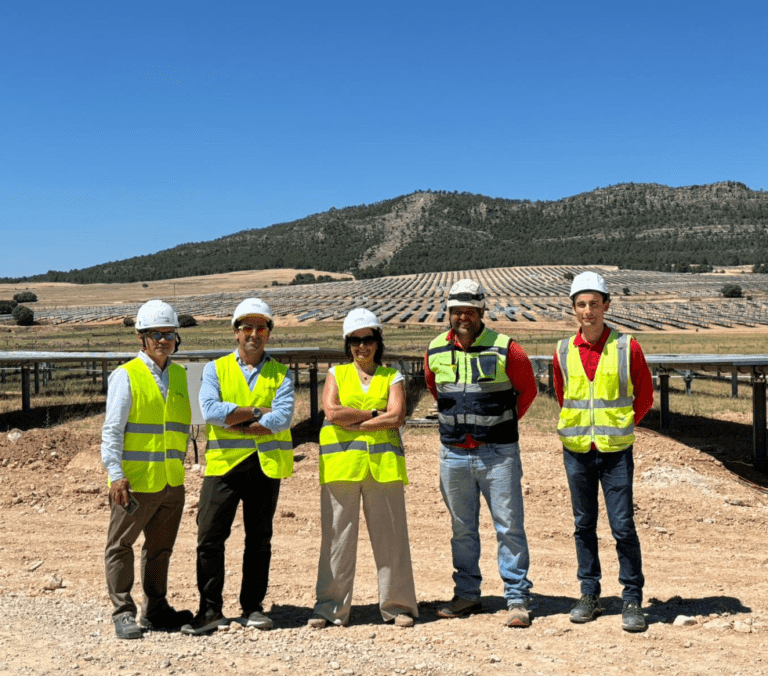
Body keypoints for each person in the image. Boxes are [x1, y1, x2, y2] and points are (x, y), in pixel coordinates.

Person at [425, 279, 537, 628]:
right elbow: (435, 389)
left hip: (498, 453)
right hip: (453, 454)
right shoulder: (434, 350)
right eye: (457, 310)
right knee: (462, 529)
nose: (463, 316)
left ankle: (517, 599)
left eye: (470, 311)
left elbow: (528, 391)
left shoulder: (507, 349)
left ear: (481, 312)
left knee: (509, 527)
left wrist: (497, 425)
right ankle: (468, 596)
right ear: (449, 313)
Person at [182, 298, 295, 635]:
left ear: (269, 334)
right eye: (247, 327)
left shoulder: (282, 373)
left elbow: (284, 417)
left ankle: (253, 608)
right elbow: (210, 411)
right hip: (224, 466)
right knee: (210, 538)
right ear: (236, 332)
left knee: (259, 539)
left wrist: (239, 419)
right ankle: (210, 610)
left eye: (261, 327)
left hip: (265, 466)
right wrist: (259, 411)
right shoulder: (215, 369)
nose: (254, 334)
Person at [553, 271, 654, 632]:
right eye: (581, 304)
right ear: (574, 309)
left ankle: (631, 599)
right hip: (577, 450)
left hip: (615, 453)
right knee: (583, 525)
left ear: (606, 306)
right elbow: (563, 394)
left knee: (623, 525)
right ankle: (589, 594)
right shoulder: (563, 351)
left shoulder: (628, 347)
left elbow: (644, 396)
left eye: (595, 303)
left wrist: (622, 426)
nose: (588, 311)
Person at [308, 309, 418, 629]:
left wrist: (355, 418)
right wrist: (373, 414)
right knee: (336, 540)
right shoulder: (335, 374)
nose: (362, 345)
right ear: (348, 344)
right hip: (342, 467)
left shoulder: (391, 376)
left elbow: (396, 416)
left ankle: (398, 606)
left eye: (368, 338)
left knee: (392, 539)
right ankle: (330, 608)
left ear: (377, 341)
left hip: (383, 467)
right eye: (355, 340)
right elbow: (332, 412)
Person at [101, 300, 193, 639]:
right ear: (142, 338)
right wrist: (115, 474)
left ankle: (156, 609)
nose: (163, 340)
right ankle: (124, 612)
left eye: (169, 334)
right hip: (135, 483)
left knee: (160, 549)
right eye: (156, 334)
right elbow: (112, 430)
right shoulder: (126, 376)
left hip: (171, 483)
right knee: (120, 546)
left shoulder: (181, 376)